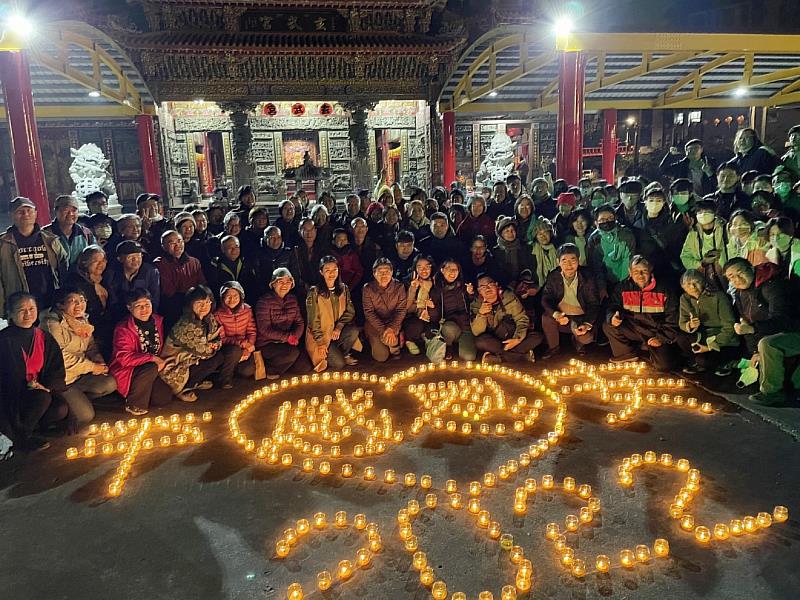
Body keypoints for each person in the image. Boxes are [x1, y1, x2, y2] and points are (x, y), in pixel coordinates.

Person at [0, 292, 69, 451]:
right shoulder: (4, 340)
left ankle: (33, 426)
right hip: (11, 396)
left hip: (40, 389)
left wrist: (46, 386)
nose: (28, 314)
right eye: (21, 310)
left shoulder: (44, 337)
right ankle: (22, 438)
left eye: (31, 308)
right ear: (10, 313)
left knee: (60, 409)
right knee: (41, 398)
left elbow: (56, 367)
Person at [41, 287, 117, 425]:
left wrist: (97, 358)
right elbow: (61, 358)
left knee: (110, 383)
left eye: (82, 300)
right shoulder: (53, 324)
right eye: (73, 301)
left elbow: (90, 346)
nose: (79, 304)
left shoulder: (82, 321)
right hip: (63, 379)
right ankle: (64, 406)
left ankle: (78, 401)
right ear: (60, 305)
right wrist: (92, 367)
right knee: (86, 416)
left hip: (79, 374)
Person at [603, 255, 683, 371]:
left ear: (650, 271)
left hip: (655, 332)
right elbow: (612, 305)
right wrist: (612, 317)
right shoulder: (623, 287)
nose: (640, 275)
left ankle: (658, 351)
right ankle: (627, 354)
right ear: (630, 272)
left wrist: (661, 338)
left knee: (664, 366)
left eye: (644, 271)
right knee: (608, 325)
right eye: (636, 271)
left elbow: (673, 318)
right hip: (634, 328)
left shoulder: (664, 289)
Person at [162, 285, 240, 398]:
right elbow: (203, 351)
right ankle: (183, 389)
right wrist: (212, 347)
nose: (204, 306)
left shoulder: (209, 318)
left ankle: (197, 382)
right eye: (199, 303)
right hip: (177, 364)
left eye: (207, 302)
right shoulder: (186, 324)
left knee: (222, 355)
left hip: (197, 358)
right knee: (213, 359)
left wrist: (213, 346)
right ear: (190, 304)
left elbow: (217, 339)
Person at [109, 289, 175, 415]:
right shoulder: (124, 329)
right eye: (138, 306)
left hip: (153, 369)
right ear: (129, 307)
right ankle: (134, 403)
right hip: (129, 370)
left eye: (147, 305)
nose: (144, 310)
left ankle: (144, 391)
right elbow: (123, 358)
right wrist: (152, 358)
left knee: (163, 398)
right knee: (150, 367)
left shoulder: (158, 321)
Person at [0, 196, 69, 316]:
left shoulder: (51, 240)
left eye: (29, 210)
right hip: (19, 307)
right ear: (11, 216)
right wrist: (3, 307)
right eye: (20, 211)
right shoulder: (3, 244)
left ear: (36, 213)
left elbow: (64, 269)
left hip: (49, 302)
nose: (25, 214)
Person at [724, 257, 795, 357]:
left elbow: (782, 320)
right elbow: (746, 324)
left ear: (751, 268)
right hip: (762, 340)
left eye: (740, 273)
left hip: (790, 333)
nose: (737, 279)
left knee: (766, 344)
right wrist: (754, 352)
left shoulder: (771, 286)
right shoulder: (739, 294)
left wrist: (752, 328)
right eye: (731, 277)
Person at [540, 244, 600, 358]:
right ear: (558, 261)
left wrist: (587, 323)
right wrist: (556, 314)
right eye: (564, 261)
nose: (569, 265)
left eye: (573, 260)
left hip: (580, 317)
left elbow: (594, 303)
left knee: (586, 338)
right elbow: (545, 298)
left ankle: (579, 342)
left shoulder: (587, 276)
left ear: (578, 260)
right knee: (546, 317)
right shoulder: (554, 276)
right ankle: (553, 347)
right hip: (562, 316)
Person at [677, 270, 739, 376]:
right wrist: (691, 325)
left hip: (720, 337)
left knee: (706, 361)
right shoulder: (685, 298)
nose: (692, 287)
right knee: (681, 338)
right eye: (688, 284)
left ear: (703, 282)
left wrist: (710, 346)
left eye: (696, 282)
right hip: (701, 335)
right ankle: (698, 361)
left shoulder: (717, 296)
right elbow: (682, 322)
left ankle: (726, 362)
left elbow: (729, 327)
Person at [470, 273, 541, 364]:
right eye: (483, 287)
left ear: (497, 285)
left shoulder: (509, 297)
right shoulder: (476, 304)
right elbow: (476, 332)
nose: (487, 289)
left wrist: (517, 338)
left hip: (512, 335)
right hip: (494, 340)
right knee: (480, 342)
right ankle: (520, 356)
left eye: (490, 285)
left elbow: (522, 319)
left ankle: (500, 358)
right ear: (479, 291)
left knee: (537, 337)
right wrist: (481, 314)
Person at [305, 256, 361, 371]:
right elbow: (313, 320)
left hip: (337, 332)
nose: (332, 273)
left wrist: (339, 326)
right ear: (321, 272)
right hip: (322, 335)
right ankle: (331, 354)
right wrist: (320, 342)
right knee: (339, 364)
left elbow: (350, 311)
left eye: (334, 269)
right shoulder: (314, 292)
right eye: (327, 270)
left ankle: (343, 353)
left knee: (353, 330)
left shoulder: (343, 289)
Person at [255, 268, 305, 379]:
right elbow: (264, 329)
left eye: (288, 282)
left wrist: (295, 336)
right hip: (267, 343)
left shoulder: (292, 299)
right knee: (292, 353)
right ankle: (269, 368)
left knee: (304, 367)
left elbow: (299, 321)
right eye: (280, 282)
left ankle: (284, 363)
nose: (285, 285)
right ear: (273, 284)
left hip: (287, 341)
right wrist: (287, 337)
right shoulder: (264, 301)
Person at [65, 245, 113, 358]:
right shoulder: (75, 280)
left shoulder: (106, 278)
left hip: (104, 326)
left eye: (103, 260)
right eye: (96, 261)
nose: (101, 264)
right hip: (86, 328)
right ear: (85, 263)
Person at [155, 230, 207, 329]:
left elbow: (202, 285)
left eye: (180, 241)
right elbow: (168, 291)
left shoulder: (194, 262)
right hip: (172, 309)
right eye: (172, 243)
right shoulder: (160, 264)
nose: (177, 245)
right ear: (163, 246)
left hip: (195, 308)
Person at [632, 186, 686, 281]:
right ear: (645, 201)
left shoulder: (671, 224)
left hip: (668, 271)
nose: (654, 204)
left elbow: (677, 247)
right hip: (646, 271)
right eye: (651, 200)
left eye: (658, 201)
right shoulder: (637, 225)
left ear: (664, 202)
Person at [427, 259, 477, 361]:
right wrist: (432, 308)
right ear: (442, 270)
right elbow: (435, 317)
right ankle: (448, 345)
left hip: (467, 326)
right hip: (451, 325)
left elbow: (474, 304)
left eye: (455, 269)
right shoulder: (437, 290)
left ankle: (462, 343)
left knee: (469, 357)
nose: (452, 272)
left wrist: (471, 294)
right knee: (448, 328)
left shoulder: (465, 286)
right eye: (449, 269)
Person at [362, 257, 407, 362]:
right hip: (375, 325)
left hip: (393, 322)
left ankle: (396, 345)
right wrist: (384, 330)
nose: (384, 275)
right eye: (380, 272)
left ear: (392, 272)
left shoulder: (399, 287)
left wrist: (391, 328)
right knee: (381, 357)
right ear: (374, 274)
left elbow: (401, 310)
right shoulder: (368, 289)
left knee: (392, 344)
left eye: (387, 271)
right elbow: (369, 313)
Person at [104, 240, 161, 321]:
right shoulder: (111, 274)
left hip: (144, 314)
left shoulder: (150, 271)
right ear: (120, 259)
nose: (136, 260)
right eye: (131, 257)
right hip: (119, 316)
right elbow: (112, 301)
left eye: (139, 256)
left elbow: (155, 297)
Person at [587, 204, 636, 298]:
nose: (606, 222)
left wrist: (623, 286)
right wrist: (602, 287)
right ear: (596, 223)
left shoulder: (626, 235)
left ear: (615, 218)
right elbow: (596, 266)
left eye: (610, 218)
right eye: (602, 219)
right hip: (605, 282)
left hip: (624, 281)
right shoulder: (594, 238)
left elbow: (628, 261)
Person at [679, 199, 728, 291]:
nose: (703, 215)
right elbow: (685, 257)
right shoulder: (693, 234)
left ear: (715, 213)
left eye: (707, 212)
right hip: (704, 280)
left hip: (726, 277)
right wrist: (702, 263)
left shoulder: (725, 229)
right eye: (700, 212)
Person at [213, 281, 257, 380]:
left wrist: (247, 348)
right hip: (229, 348)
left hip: (245, 346)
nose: (232, 299)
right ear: (223, 297)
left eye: (235, 296)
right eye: (228, 296)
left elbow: (252, 331)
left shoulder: (247, 310)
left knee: (248, 371)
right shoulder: (218, 314)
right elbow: (222, 338)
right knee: (234, 352)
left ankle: (235, 369)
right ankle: (225, 378)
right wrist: (241, 344)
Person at [43, 195, 94, 269]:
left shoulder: (86, 233)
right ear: (56, 212)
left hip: (79, 278)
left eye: (74, 210)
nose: (70, 214)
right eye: (65, 210)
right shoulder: (45, 234)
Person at [206, 234, 258, 303]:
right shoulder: (215, 266)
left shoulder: (246, 263)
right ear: (223, 249)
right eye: (230, 247)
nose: (234, 250)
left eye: (236, 247)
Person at [401, 255, 436, 355]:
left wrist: (431, 307)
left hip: (431, 315)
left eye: (427, 266)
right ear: (415, 268)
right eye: (419, 267)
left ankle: (427, 340)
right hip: (413, 316)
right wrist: (413, 289)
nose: (423, 270)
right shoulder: (407, 281)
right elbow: (406, 308)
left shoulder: (436, 281)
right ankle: (409, 340)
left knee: (432, 328)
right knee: (415, 325)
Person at [493, 217, 536, 291]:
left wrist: (523, 282)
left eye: (512, 230)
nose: (510, 233)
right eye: (507, 231)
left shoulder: (525, 248)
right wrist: (509, 284)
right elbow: (497, 272)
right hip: (505, 288)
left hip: (524, 285)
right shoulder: (496, 252)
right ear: (501, 234)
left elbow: (530, 266)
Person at [530, 218, 559, 289]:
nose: (543, 236)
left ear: (550, 234)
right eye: (540, 234)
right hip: (538, 288)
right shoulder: (531, 251)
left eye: (546, 233)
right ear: (536, 237)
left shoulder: (557, 248)